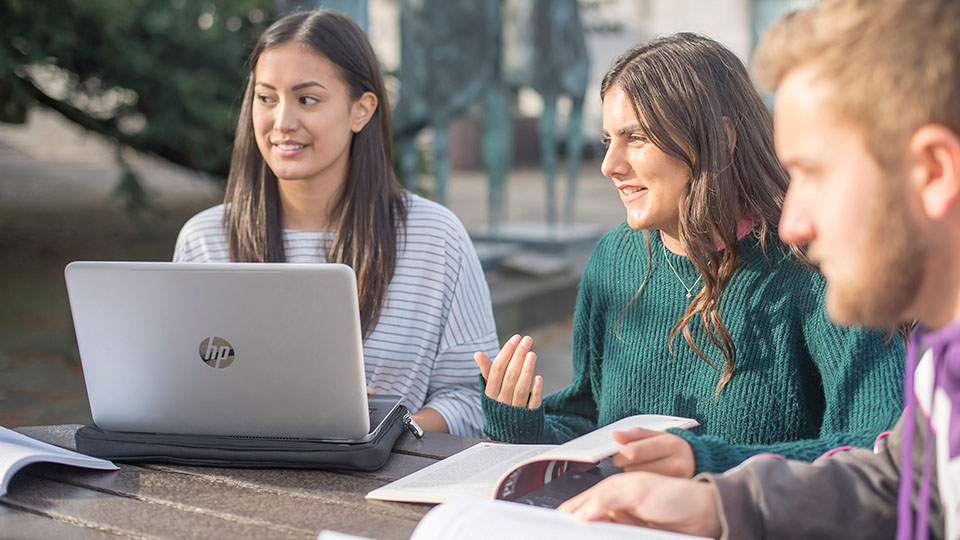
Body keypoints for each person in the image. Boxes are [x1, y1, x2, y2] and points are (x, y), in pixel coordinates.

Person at [558, 0, 960, 537]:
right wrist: (717, 504)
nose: (792, 223)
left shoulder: (812, 276)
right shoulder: (942, 365)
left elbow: (877, 446)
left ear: (933, 171)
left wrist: (709, 462)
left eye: (814, 173)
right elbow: (903, 481)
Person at [476, 33, 905, 478]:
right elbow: (588, 424)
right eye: (607, 139)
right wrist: (521, 420)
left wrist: (707, 467)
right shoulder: (612, 258)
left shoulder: (817, 267)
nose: (609, 164)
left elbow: (883, 447)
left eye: (635, 137)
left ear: (719, 137)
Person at [173, 10, 498, 438]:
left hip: (379, 489)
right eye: (267, 98)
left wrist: (381, 434)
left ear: (360, 111)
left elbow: (475, 401)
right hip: (232, 484)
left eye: (307, 99)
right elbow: (179, 391)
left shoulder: (436, 239)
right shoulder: (204, 241)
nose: (282, 122)